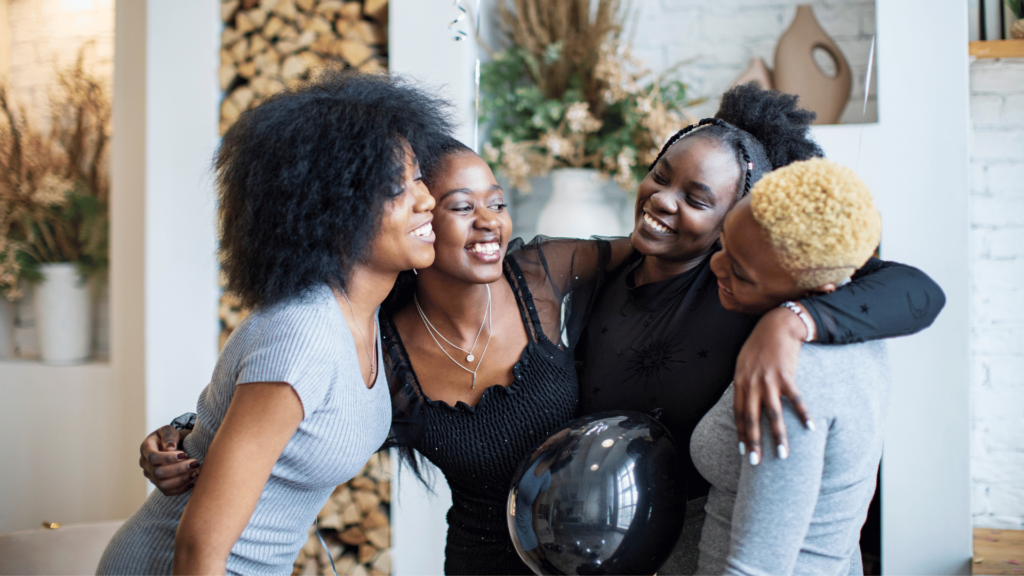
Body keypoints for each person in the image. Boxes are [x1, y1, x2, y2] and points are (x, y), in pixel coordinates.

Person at [574, 83, 945, 574]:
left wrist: (791, 322)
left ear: (736, 218)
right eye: (660, 175)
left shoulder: (742, 286)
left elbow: (920, 291)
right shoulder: (604, 270)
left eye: (697, 198)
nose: (663, 199)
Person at [96, 71, 452, 575]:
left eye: (417, 176)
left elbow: (248, 426)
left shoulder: (373, 318)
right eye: (396, 187)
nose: (426, 199)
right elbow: (199, 550)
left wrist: (179, 432)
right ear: (332, 212)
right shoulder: (304, 334)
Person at [693, 157, 895, 575]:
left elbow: (758, 568)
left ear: (812, 285)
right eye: (724, 243)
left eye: (742, 273)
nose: (716, 265)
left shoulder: (792, 380)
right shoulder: (857, 329)